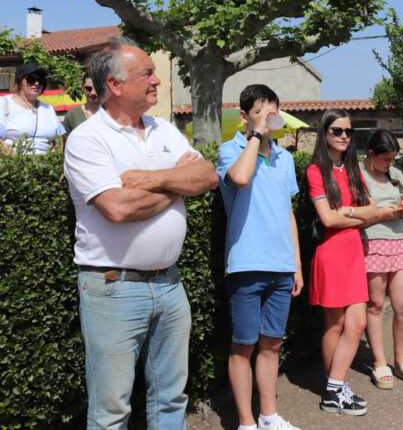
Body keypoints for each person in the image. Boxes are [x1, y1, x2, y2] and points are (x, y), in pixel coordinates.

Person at [63, 40, 218, 429]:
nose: (156, 80)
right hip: (113, 287)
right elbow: (117, 208)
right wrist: (178, 183)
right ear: (115, 85)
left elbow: (207, 176)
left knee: (171, 399)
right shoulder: (87, 138)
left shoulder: (164, 129)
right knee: (111, 410)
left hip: (170, 284)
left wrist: (151, 179)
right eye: (146, 73)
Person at [216, 84, 302, 430]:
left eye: (273, 112)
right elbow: (239, 177)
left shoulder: (285, 158)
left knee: (272, 343)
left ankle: (269, 415)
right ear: (244, 116)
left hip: (281, 265)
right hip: (246, 264)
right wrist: (255, 136)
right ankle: (246, 422)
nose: (268, 119)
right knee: (244, 345)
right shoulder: (230, 150)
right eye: (259, 112)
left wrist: (296, 265)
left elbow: (288, 213)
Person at [306, 109, 377, 416]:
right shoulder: (315, 171)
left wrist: (346, 212)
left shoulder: (352, 170)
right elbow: (327, 219)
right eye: (337, 130)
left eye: (348, 131)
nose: (344, 136)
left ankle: (333, 388)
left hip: (353, 252)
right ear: (324, 133)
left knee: (357, 323)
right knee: (334, 325)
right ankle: (337, 388)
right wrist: (355, 214)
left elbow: (372, 210)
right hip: (332, 254)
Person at [358, 129, 403, 390]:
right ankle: (379, 361)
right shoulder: (357, 176)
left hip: (400, 241)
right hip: (372, 242)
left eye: (392, 159)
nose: (390, 164)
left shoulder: (396, 175)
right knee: (374, 305)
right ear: (371, 154)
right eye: (385, 159)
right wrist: (385, 213)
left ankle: (401, 359)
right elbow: (358, 214)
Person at [0, 63, 64, 154]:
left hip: (46, 161)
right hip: (13, 160)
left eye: (41, 80)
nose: (37, 83)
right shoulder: (4, 104)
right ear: (19, 81)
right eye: (31, 79)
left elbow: (59, 139)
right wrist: (14, 158)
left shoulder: (48, 108)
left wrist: (54, 155)